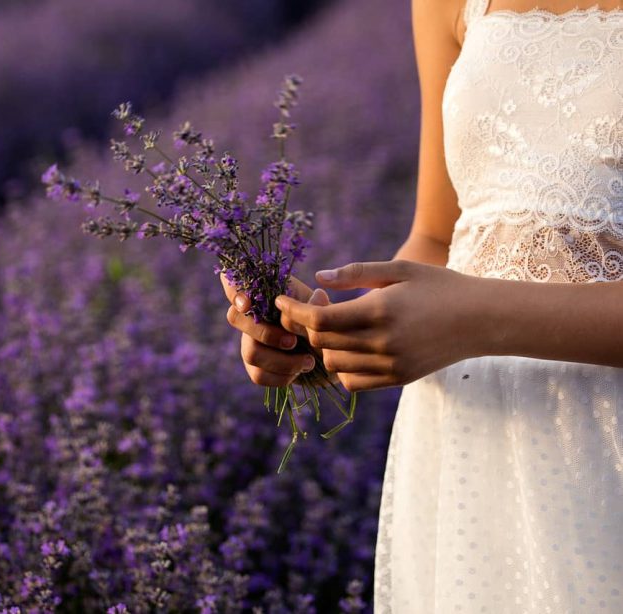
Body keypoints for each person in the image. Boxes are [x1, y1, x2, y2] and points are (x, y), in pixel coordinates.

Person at [222, 0, 623, 610]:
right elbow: (439, 235)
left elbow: (465, 303)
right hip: (469, 443)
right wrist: (335, 331)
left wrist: (470, 319)